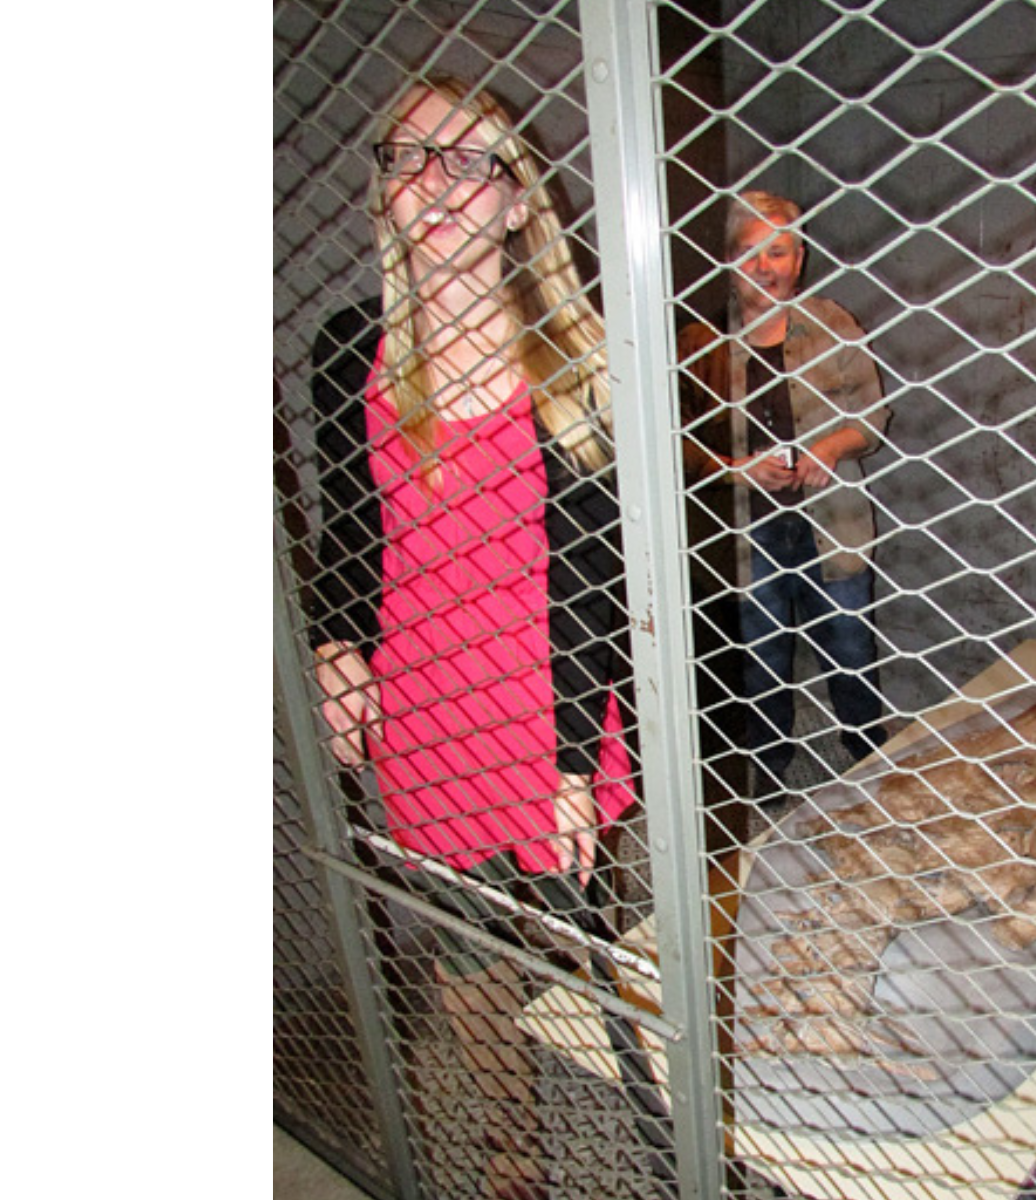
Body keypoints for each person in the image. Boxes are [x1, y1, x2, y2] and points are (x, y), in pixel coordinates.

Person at [305, 77, 640, 1200]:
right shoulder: (350, 349)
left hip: (543, 698)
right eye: (411, 158)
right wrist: (336, 644)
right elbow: (354, 527)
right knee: (463, 963)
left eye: (468, 162)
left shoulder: (576, 362)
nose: (436, 182)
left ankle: (659, 1103)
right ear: (385, 197)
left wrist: (561, 766)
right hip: (423, 709)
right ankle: (509, 1148)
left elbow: (591, 579)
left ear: (514, 203)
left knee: (591, 941)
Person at [678, 191, 891, 800]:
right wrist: (737, 468)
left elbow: (874, 417)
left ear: (799, 259)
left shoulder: (834, 324)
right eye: (751, 253)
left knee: (850, 644)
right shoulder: (701, 343)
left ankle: (866, 755)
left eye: (779, 252)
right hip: (745, 529)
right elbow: (674, 446)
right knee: (760, 655)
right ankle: (768, 769)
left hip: (833, 520)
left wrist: (828, 449)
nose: (765, 267)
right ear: (727, 258)